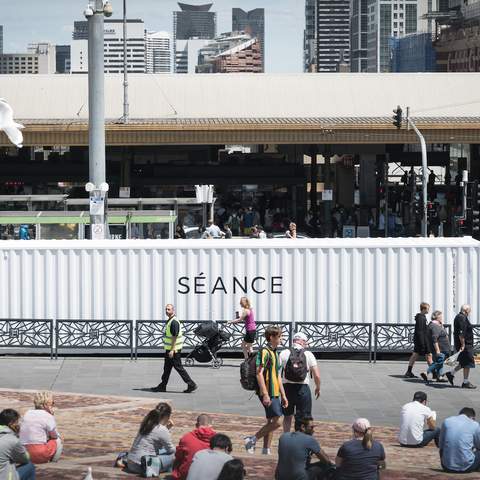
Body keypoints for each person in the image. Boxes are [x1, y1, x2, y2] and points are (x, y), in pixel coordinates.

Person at [244, 325, 288, 455]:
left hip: (275, 392)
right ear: (271, 337)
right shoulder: (265, 352)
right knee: (278, 421)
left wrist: (283, 395)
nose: (281, 339)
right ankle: (252, 439)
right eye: (279, 336)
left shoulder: (275, 352)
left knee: (271, 421)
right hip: (268, 392)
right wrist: (265, 394)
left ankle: (266, 449)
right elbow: (259, 374)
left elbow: (278, 376)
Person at [150, 304, 197, 393]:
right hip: (170, 349)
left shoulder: (174, 322)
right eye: (166, 309)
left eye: (169, 309)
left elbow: (174, 337)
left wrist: (172, 350)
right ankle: (162, 386)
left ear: (173, 310)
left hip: (174, 350)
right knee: (167, 368)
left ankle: (191, 384)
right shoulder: (170, 320)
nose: (167, 311)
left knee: (178, 367)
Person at [279, 332, 321, 432]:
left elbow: (277, 374)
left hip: (287, 389)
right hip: (303, 389)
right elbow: (317, 375)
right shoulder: (308, 354)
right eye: (305, 342)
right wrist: (318, 387)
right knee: (302, 417)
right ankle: (300, 439)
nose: (306, 344)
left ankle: (286, 437)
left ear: (294, 341)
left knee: (287, 416)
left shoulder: (284, 353)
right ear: (302, 341)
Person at [126, 403, 175, 475]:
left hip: (131, 463)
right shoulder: (162, 429)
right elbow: (171, 449)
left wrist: (167, 429)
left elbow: (156, 438)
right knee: (176, 454)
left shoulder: (146, 423)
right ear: (167, 416)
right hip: (143, 466)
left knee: (163, 450)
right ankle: (170, 472)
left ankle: (168, 469)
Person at [19, 391, 62, 464]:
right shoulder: (48, 416)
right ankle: (53, 463)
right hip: (39, 453)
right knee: (58, 440)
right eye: (52, 403)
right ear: (46, 405)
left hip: (24, 452)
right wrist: (51, 416)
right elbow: (54, 435)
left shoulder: (27, 413)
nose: (53, 405)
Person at [171, 414, 216, 480]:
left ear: (196, 425)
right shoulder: (218, 439)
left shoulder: (186, 437)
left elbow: (178, 456)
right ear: (211, 425)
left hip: (185, 476)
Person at [439, 407, 480, 473]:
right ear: (473, 418)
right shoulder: (475, 424)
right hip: (466, 467)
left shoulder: (447, 421)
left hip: (446, 466)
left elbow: (440, 445)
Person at [446, 304, 476, 389]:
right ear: (466, 310)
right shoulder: (462, 318)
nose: (470, 313)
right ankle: (465, 382)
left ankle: (451, 373)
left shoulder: (459, 317)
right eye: (469, 311)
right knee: (468, 363)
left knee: (464, 362)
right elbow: (461, 333)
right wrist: (463, 345)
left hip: (465, 344)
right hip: (466, 345)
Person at [0, 409, 36, 480]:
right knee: (30, 466)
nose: (18, 424)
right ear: (11, 424)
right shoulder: (12, 440)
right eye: (17, 422)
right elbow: (25, 458)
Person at [420, 310, 450, 384]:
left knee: (440, 362)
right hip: (440, 348)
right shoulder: (434, 326)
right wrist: (437, 350)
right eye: (441, 316)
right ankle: (426, 372)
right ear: (437, 317)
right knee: (439, 362)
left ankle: (439, 377)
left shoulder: (436, 325)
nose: (442, 317)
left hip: (440, 347)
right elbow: (434, 339)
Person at [404, 302, 432, 378]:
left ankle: (409, 372)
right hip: (422, 341)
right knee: (428, 355)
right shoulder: (421, 318)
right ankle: (435, 374)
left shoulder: (422, 317)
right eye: (428, 308)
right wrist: (422, 343)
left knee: (417, 355)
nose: (429, 310)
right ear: (424, 309)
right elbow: (420, 331)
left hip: (420, 341)